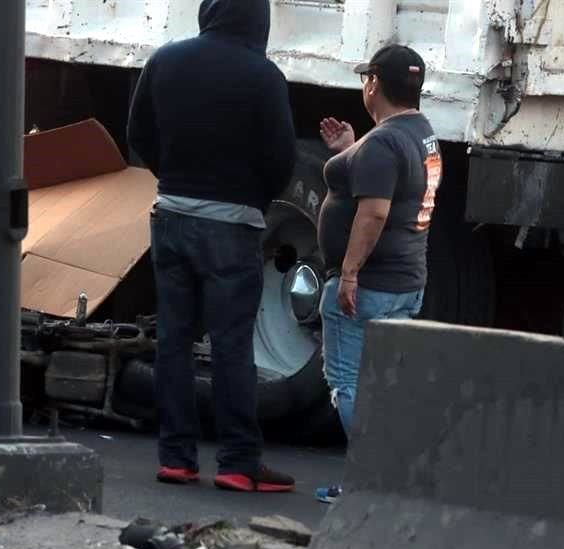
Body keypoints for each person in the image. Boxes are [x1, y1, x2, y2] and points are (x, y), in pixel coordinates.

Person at [127, 0, 298, 492]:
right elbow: (281, 157)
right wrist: (252, 198)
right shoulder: (264, 77)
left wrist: (174, 177)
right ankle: (238, 462)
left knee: (174, 341)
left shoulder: (165, 60)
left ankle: (176, 458)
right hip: (233, 223)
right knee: (230, 344)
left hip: (172, 216)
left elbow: (139, 133)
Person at [315, 45, 442, 503]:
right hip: (406, 282)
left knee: (348, 383)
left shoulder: (385, 144)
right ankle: (390, 479)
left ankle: (369, 484)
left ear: (373, 84)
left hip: (370, 286)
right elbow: (395, 185)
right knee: (384, 386)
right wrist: (352, 151)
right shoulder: (420, 134)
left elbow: (373, 213)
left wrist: (348, 274)